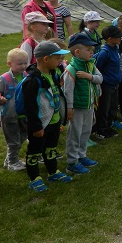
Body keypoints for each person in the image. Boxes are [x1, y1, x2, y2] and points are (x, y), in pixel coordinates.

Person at [23, 41, 73, 192]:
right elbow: (30, 107)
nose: (61, 61)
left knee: (51, 148)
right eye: (57, 58)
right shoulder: (33, 80)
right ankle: (34, 178)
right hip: (40, 124)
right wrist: (36, 127)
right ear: (46, 59)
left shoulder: (53, 73)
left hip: (54, 121)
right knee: (34, 151)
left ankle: (53, 172)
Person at [63, 32, 102, 175]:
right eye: (89, 50)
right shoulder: (71, 69)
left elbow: (100, 78)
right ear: (78, 52)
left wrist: (89, 77)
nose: (92, 52)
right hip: (77, 108)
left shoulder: (90, 66)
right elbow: (68, 91)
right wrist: (69, 108)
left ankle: (82, 155)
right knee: (75, 133)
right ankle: (72, 162)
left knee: (86, 131)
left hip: (89, 105)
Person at [0, 48, 29, 171]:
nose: (23, 66)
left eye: (25, 63)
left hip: (23, 114)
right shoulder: (4, 79)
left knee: (22, 137)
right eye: (20, 63)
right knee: (13, 141)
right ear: (9, 64)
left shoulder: (27, 76)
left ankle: (10, 159)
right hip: (9, 115)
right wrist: (0, 98)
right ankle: (13, 163)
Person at [94, 26, 122, 137]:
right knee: (104, 109)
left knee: (113, 107)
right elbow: (98, 69)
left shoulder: (115, 48)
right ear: (110, 39)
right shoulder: (104, 53)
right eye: (118, 36)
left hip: (115, 84)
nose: (120, 38)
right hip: (106, 85)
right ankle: (100, 129)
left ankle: (108, 126)